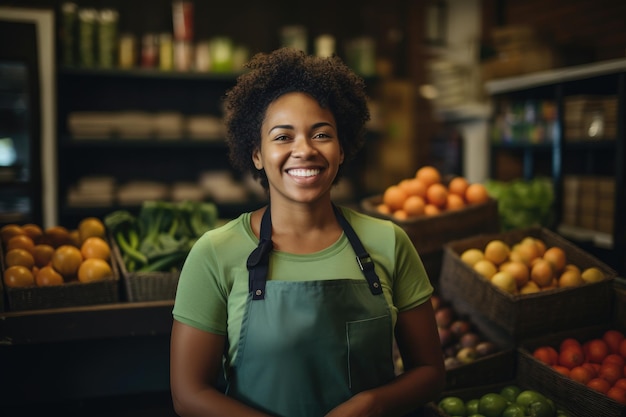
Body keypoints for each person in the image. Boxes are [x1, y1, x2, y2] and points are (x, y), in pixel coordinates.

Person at [170, 47, 445, 417]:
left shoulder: (388, 242)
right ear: (256, 154)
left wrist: (372, 403)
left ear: (342, 149)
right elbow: (188, 394)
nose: (304, 150)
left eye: (321, 134)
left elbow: (430, 372)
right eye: (283, 137)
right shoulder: (216, 252)